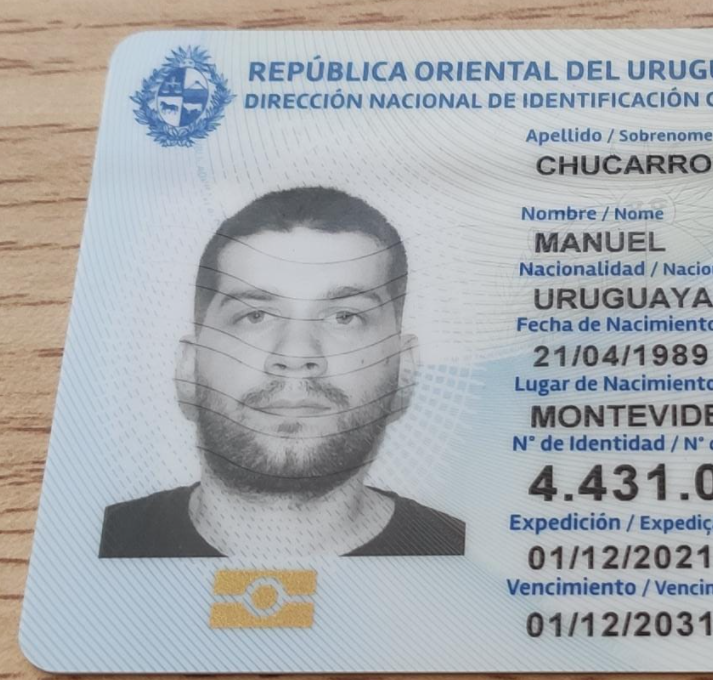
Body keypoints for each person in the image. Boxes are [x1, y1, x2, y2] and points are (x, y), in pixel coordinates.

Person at [99, 187, 464, 558]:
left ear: (404, 371)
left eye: (344, 317)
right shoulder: (101, 544)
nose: (296, 354)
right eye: (255, 316)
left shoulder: (467, 559)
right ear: (188, 369)